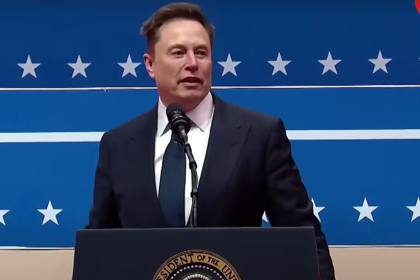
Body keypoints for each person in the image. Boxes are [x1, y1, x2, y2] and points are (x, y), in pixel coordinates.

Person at [86, 3, 336, 279]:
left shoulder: (259, 134)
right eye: (178, 52)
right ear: (150, 64)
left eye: (201, 53)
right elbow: (99, 250)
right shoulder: (118, 144)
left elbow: (304, 240)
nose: (192, 63)